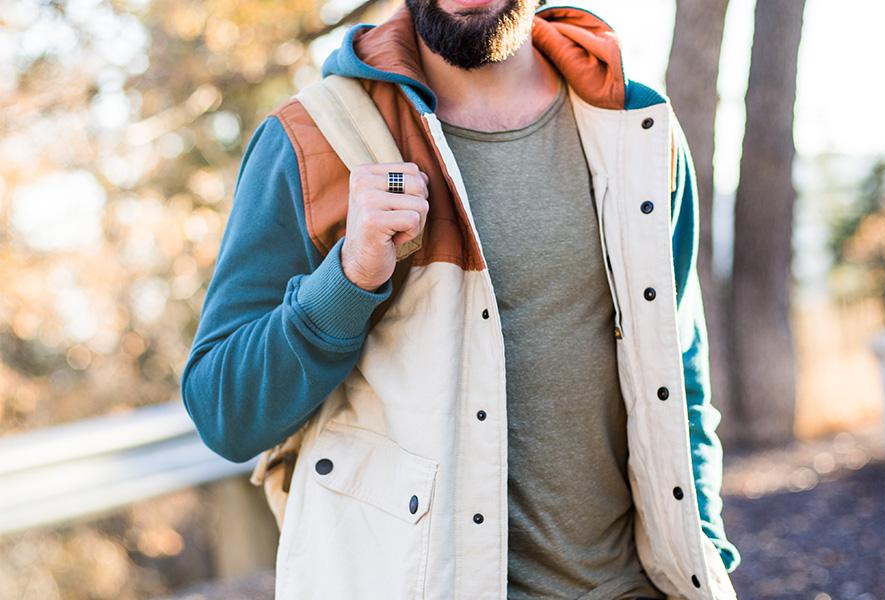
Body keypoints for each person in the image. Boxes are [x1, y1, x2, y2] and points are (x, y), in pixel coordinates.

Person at [181, 0, 742, 598]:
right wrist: (347, 279)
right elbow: (224, 412)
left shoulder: (633, 126)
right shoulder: (312, 142)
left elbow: (677, 376)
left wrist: (702, 548)